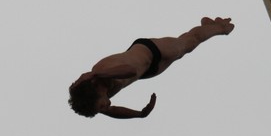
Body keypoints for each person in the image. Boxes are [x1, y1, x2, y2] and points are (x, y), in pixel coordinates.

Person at [68, 17, 234, 118]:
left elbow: (130, 70)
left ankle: (220, 27)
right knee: (185, 48)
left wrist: (96, 74)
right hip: (149, 70)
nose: (105, 108)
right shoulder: (100, 99)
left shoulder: (100, 73)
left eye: (101, 106)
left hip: (150, 50)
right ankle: (208, 26)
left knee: (187, 44)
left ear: (95, 94)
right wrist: (139, 114)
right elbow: (113, 111)